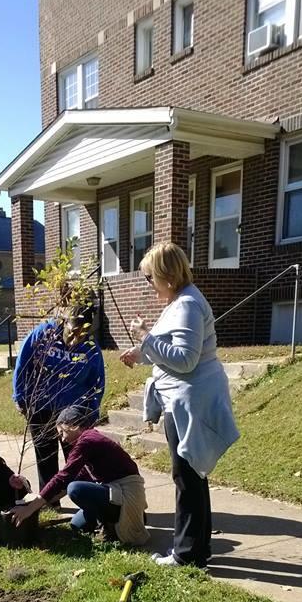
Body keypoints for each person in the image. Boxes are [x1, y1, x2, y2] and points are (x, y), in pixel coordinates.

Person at [120, 241, 239, 569]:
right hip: (183, 398)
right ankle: (199, 551)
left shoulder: (186, 304)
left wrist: (145, 337)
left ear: (166, 276)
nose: (148, 284)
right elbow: (168, 350)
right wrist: (140, 353)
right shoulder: (178, 302)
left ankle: (186, 555)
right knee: (192, 475)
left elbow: (185, 360)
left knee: (186, 477)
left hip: (190, 401)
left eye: (149, 278)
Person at [9, 406, 149, 546]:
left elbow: (63, 477)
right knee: (77, 525)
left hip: (126, 492)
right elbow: (74, 478)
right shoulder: (90, 439)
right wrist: (39, 503)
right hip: (114, 492)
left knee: (75, 489)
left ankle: (112, 525)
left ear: (73, 426)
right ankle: (131, 516)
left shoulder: (87, 441)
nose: (62, 440)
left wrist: (29, 509)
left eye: (62, 432)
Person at [12, 309, 105, 491]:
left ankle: (84, 495)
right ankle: (49, 499)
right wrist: (20, 396)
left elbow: (98, 381)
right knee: (45, 454)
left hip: (73, 411)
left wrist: (92, 409)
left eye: (83, 333)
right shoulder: (43, 334)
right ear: (64, 322)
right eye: (73, 331)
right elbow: (23, 364)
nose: (77, 337)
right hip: (42, 405)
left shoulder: (91, 347)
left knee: (78, 456)